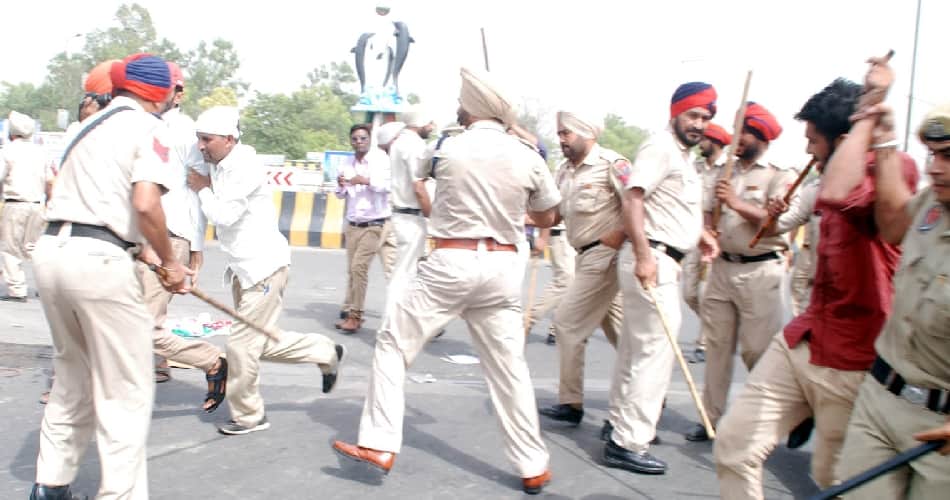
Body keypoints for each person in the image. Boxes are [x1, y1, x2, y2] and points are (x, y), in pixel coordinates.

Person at [332, 67, 560, 495]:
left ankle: (380, 444)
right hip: (503, 268)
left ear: (471, 108)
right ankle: (533, 465)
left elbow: (419, 175)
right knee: (510, 371)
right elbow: (549, 216)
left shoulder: (445, 148)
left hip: (451, 262)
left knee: (393, 345)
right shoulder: (528, 155)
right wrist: (527, 155)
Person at [713, 70, 919, 498]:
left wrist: (866, 118)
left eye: (813, 140)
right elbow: (780, 226)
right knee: (734, 447)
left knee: (833, 481)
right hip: (804, 338)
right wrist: (768, 216)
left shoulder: (890, 172)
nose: (806, 148)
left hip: (856, 360)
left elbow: (841, 192)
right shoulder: (817, 182)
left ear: (841, 141)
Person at [29, 53, 191, 500]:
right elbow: (144, 203)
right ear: (159, 92)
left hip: (52, 250)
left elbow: (74, 194)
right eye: (175, 90)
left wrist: (140, 252)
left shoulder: (84, 125)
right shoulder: (150, 127)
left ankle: (49, 486)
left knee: (71, 378)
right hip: (98, 260)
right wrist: (171, 262)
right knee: (125, 390)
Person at [186, 106, 345, 436]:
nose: (201, 147)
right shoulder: (219, 160)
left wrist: (202, 187)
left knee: (241, 347)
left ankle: (249, 416)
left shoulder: (243, 167)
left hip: (263, 268)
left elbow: (225, 216)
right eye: (198, 139)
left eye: (207, 140)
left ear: (229, 139)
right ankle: (324, 350)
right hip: (243, 268)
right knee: (256, 342)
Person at [833, 93, 950, 499]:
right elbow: (892, 225)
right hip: (881, 400)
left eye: (948, 156)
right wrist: (884, 142)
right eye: (931, 154)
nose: (935, 168)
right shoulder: (932, 204)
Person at [602, 82, 719, 475]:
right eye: (693, 116)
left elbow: (669, 205)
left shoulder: (685, 157)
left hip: (664, 257)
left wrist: (699, 235)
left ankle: (618, 424)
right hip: (653, 260)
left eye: (705, 118)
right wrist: (644, 255)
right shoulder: (661, 147)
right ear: (676, 113)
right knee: (655, 354)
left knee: (637, 350)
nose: (699, 124)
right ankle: (630, 440)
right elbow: (634, 198)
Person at [687, 101, 796, 442]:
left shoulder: (781, 175)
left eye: (746, 131)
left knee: (757, 350)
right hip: (722, 267)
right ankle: (711, 419)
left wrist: (735, 203)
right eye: (737, 130)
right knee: (717, 348)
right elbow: (707, 211)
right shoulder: (725, 171)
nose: (738, 137)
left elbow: (776, 223)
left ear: (762, 135)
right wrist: (709, 230)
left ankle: (770, 419)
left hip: (759, 271)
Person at [134, 61, 226, 411]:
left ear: (178, 93)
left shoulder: (187, 131)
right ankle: (156, 365)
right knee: (139, 317)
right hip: (137, 238)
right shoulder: (141, 124)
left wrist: (195, 247)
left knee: (145, 323)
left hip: (167, 236)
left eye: (164, 89)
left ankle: (211, 360)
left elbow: (197, 189)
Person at [537, 110, 626, 428]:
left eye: (567, 134)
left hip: (605, 255)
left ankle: (570, 402)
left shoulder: (612, 165)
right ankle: (645, 397)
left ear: (588, 134)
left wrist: (618, 236)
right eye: (559, 133)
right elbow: (553, 216)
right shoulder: (563, 171)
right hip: (583, 254)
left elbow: (638, 203)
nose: (561, 139)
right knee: (623, 334)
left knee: (566, 323)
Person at [334, 123, 396, 333]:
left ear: (370, 140)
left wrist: (366, 181)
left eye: (363, 138)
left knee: (360, 268)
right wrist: (341, 184)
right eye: (355, 139)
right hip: (353, 223)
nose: (359, 142)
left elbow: (388, 186)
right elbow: (340, 193)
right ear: (350, 141)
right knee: (352, 270)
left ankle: (356, 316)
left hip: (376, 223)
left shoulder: (380, 161)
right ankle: (350, 307)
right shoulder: (346, 162)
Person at [682, 122, 731, 363]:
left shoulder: (729, 169)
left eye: (704, 139)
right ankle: (715, 327)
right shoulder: (694, 166)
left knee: (705, 292)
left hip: (714, 237)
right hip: (692, 232)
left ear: (715, 141)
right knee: (689, 293)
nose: (700, 142)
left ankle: (704, 342)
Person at [385, 110, 434, 309]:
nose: (432, 127)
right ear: (421, 122)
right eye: (430, 123)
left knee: (411, 274)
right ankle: (391, 327)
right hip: (411, 217)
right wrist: (433, 216)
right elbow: (418, 186)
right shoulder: (414, 146)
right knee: (404, 276)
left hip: (404, 215)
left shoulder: (399, 143)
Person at [1, 111, 49, 302]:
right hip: (38, 206)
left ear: (11, 132)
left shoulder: (8, 151)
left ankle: (17, 290)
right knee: (33, 248)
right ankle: (46, 287)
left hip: (15, 205)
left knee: (11, 248)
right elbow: (51, 180)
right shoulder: (41, 152)